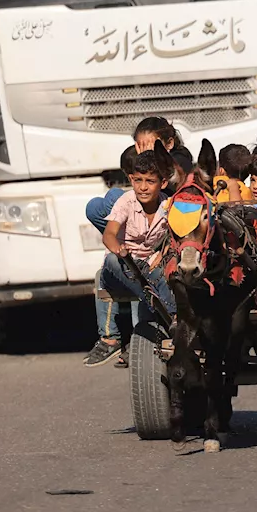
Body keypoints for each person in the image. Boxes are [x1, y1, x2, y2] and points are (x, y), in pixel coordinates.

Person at [84, 148, 179, 368]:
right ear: (131, 179)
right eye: (137, 180)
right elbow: (109, 234)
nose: (143, 187)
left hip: (152, 266)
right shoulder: (126, 202)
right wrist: (119, 250)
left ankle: (173, 318)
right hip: (123, 264)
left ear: (162, 183)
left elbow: (175, 237)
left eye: (149, 181)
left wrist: (163, 254)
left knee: (164, 271)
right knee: (110, 262)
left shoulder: (169, 205)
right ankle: (168, 313)